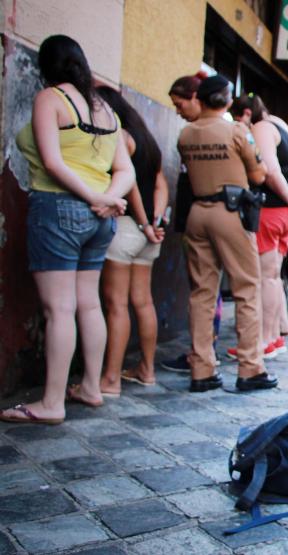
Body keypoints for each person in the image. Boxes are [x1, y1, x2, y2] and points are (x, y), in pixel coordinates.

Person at [1, 35, 133, 424]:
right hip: (99, 218)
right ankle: (91, 387)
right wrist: (106, 199)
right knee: (88, 304)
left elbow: (54, 163)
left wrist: (96, 196)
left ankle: (52, 403)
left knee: (59, 309)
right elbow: (125, 170)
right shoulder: (106, 110)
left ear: (47, 66)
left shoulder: (50, 99)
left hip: (58, 208)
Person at [177, 74, 277, 392]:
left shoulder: (186, 134)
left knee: (202, 293)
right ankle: (250, 368)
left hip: (196, 213)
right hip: (231, 212)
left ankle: (202, 370)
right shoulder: (237, 131)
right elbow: (259, 174)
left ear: (201, 99)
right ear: (227, 100)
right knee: (247, 288)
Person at [95, 86, 168, 396]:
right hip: (149, 233)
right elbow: (161, 185)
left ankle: (110, 379)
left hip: (127, 228)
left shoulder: (120, 136)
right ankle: (146, 370)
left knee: (116, 305)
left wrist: (141, 222)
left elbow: (132, 185)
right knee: (143, 301)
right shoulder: (148, 140)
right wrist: (155, 222)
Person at [229, 94, 288, 358]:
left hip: (271, 210)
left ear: (247, 114)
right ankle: (272, 339)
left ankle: (262, 341)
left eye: (238, 118)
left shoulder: (262, 128)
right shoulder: (286, 130)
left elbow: (271, 170)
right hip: (284, 214)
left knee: (264, 279)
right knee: (272, 277)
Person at [160, 72, 224, 373]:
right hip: (195, 217)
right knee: (205, 288)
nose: (178, 111)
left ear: (197, 99)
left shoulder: (204, 134)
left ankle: (203, 353)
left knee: (204, 289)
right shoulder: (194, 133)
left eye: (179, 104)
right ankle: (203, 352)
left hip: (203, 217)